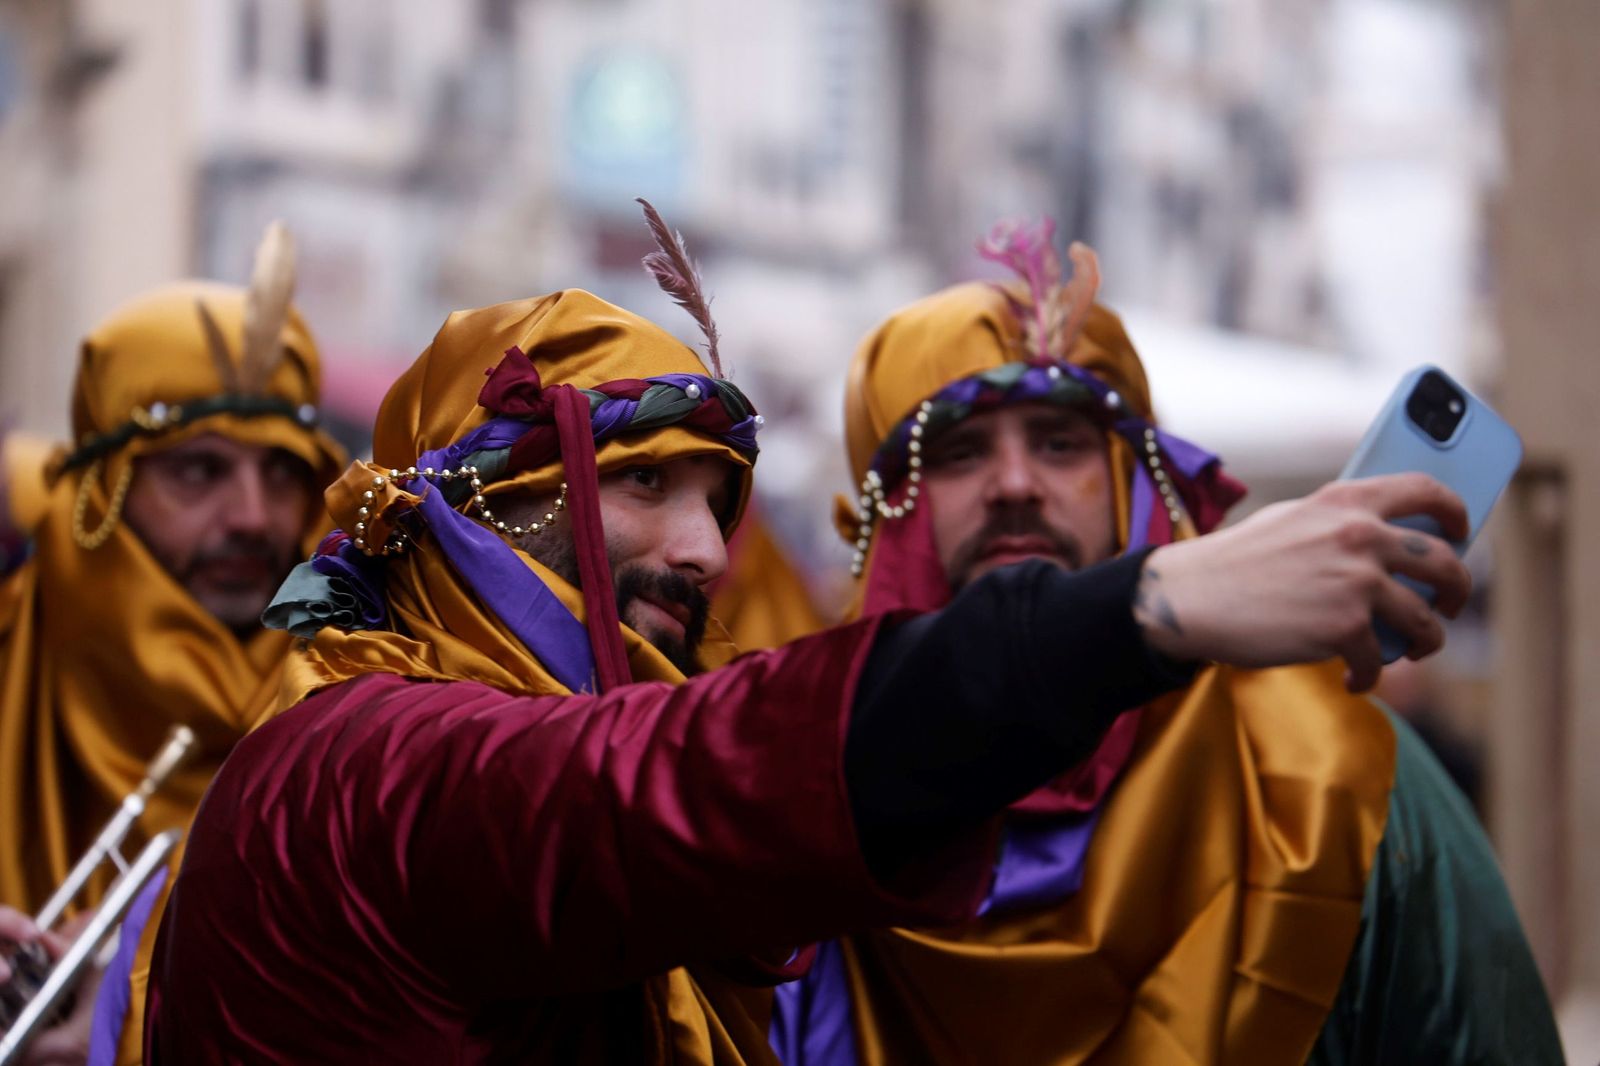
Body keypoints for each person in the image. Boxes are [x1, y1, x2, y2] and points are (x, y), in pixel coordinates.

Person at [147, 204, 1486, 1064]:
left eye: (721, 498)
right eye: (645, 482)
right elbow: (691, 780)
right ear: (479, 509)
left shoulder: (1348, 787)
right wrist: (1152, 607)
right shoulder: (363, 768)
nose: (709, 552)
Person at [770, 219, 1563, 1064]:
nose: (1012, 485)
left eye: (1060, 443)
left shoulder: (1336, 784)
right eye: (957, 452)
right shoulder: (788, 806)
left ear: (1132, 488)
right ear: (888, 517)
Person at [0, 224, 345, 1064]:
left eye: (281, 473)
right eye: (198, 471)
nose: (253, 518)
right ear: (103, 493)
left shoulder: (354, 694)